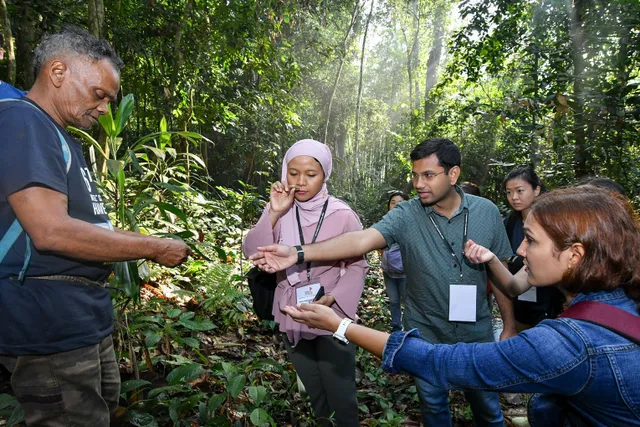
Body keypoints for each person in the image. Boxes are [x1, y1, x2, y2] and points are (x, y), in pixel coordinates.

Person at [283, 187, 640, 427]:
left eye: (530, 241)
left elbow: (445, 363)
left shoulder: (569, 345)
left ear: (575, 255)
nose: (520, 250)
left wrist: (339, 325)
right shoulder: (622, 304)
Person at [0, 27, 191, 427]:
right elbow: (51, 231)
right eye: (99, 95)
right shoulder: (24, 122)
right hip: (50, 322)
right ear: (57, 73)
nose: (105, 109)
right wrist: (153, 248)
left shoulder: (59, 135)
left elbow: (83, 225)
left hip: (79, 318)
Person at [251, 138, 516, 427]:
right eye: (414, 175)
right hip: (424, 330)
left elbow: (499, 271)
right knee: (434, 410)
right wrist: (298, 252)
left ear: (453, 175)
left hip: (476, 331)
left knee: (487, 410)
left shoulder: (486, 212)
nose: (418, 184)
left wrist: (510, 327)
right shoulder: (406, 214)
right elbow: (361, 241)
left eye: (428, 175)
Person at [242, 139, 367, 427]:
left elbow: (358, 264)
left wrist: (334, 299)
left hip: (331, 313)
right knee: (314, 391)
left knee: (341, 392)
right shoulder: (281, 209)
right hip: (292, 313)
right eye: (293, 173)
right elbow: (253, 252)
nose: (301, 182)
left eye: (311, 174)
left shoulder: (343, 214)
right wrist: (272, 212)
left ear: (325, 175)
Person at [503, 166, 564, 330]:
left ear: (536, 190)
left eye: (519, 191)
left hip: (551, 307)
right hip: (520, 307)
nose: (514, 197)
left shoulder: (554, 223)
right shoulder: (507, 225)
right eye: (509, 192)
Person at [381, 191, 409, 332]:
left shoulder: (409, 225)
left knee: (408, 303)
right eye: (393, 203)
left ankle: (410, 329)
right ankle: (396, 329)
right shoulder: (385, 222)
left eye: (400, 203)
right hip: (388, 272)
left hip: (405, 273)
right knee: (393, 301)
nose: (396, 206)